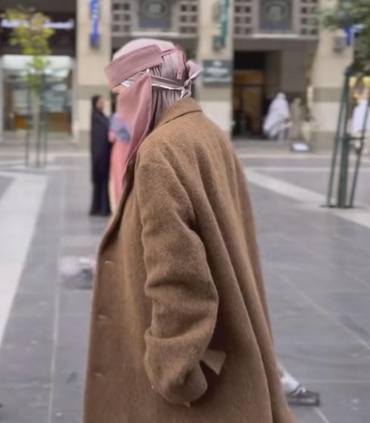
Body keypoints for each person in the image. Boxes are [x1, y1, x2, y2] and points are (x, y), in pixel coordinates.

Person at [84, 39, 294, 423]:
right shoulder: (206, 133)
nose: (119, 105)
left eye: (122, 92)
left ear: (145, 87)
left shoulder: (160, 151)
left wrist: (172, 370)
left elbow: (178, 277)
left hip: (187, 393)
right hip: (236, 345)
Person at [89, 95, 112, 216]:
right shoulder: (96, 118)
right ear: (95, 104)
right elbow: (101, 137)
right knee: (100, 181)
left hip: (104, 154)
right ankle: (101, 208)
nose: (103, 104)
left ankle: (102, 207)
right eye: (100, 102)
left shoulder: (102, 117)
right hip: (100, 155)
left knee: (103, 181)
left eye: (103, 102)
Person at [109, 111, 131, 207]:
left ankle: (120, 204)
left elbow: (110, 137)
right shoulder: (135, 114)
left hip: (119, 148)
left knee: (118, 177)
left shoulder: (117, 117)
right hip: (131, 148)